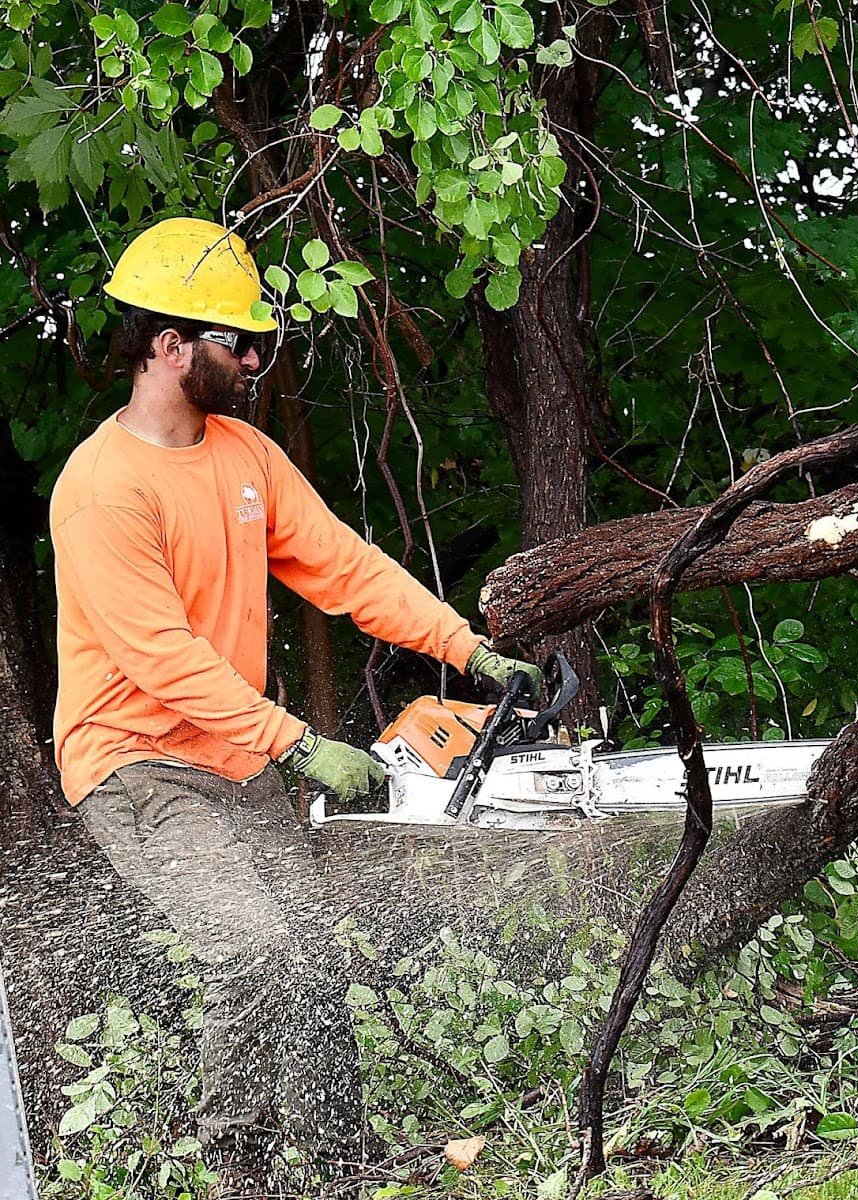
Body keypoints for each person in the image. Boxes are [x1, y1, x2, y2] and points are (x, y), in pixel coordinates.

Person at [49, 217, 542, 1194]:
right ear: (167, 345)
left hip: (232, 753)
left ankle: (338, 1169)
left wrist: (471, 651)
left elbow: (344, 568)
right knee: (252, 948)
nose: (256, 358)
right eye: (237, 341)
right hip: (134, 761)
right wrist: (301, 743)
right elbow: (163, 659)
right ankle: (240, 1174)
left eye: (261, 341)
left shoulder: (243, 456)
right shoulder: (102, 489)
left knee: (314, 958)